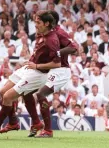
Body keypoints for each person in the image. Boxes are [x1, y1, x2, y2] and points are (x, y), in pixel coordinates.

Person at [0, 10, 61, 136]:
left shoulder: (52, 40)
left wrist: (37, 65)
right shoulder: (40, 34)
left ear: (47, 23)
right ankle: (15, 122)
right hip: (29, 68)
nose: (35, 25)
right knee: (3, 92)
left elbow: (57, 63)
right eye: (35, 22)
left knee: (8, 97)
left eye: (38, 22)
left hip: (38, 73)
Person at [29, 10, 78, 138]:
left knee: (41, 93)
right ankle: (37, 123)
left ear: (50, 22)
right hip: (50, 69)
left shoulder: (59, 32)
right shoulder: (45, 33)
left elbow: (73, 48)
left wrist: (57, 53)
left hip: (60, 70)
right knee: (29, 91)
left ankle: (48, 130)